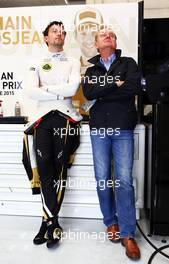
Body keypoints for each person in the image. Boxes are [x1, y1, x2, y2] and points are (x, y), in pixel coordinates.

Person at [82, 26, 141, 260]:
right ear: (97, 45)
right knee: (102, 179)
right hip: (98, 129)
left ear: (115, 43)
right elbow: (88, 93)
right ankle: (110, 222)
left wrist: (103, 91)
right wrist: (114, 85)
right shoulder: (91, 69)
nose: (108, 36)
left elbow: (133, 88)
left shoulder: (128, 63)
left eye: (112, 34)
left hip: (123, 127)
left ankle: (128, 234)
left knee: (124, 181)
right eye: (103, 35)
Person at [23, 21, 82, 249]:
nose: (59, 34)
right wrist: (58, 91)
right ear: (46, 37)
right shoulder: (34, 62)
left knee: (59, 168)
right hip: (42, 119)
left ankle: (48, 221)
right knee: (44, 168)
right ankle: (51, 221)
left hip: (65, 118)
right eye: (54, 31)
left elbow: (72, 89)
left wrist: (45, 90)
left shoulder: (73, 61)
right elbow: (30, 91)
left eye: (62, 31)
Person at [72, 7, 104, 115]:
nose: (89, 39)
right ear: (75, 35)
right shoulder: (71, 70)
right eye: (83, 33)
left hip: (104, 125)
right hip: (77, 125)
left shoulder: (114, 68)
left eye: (94, 33)